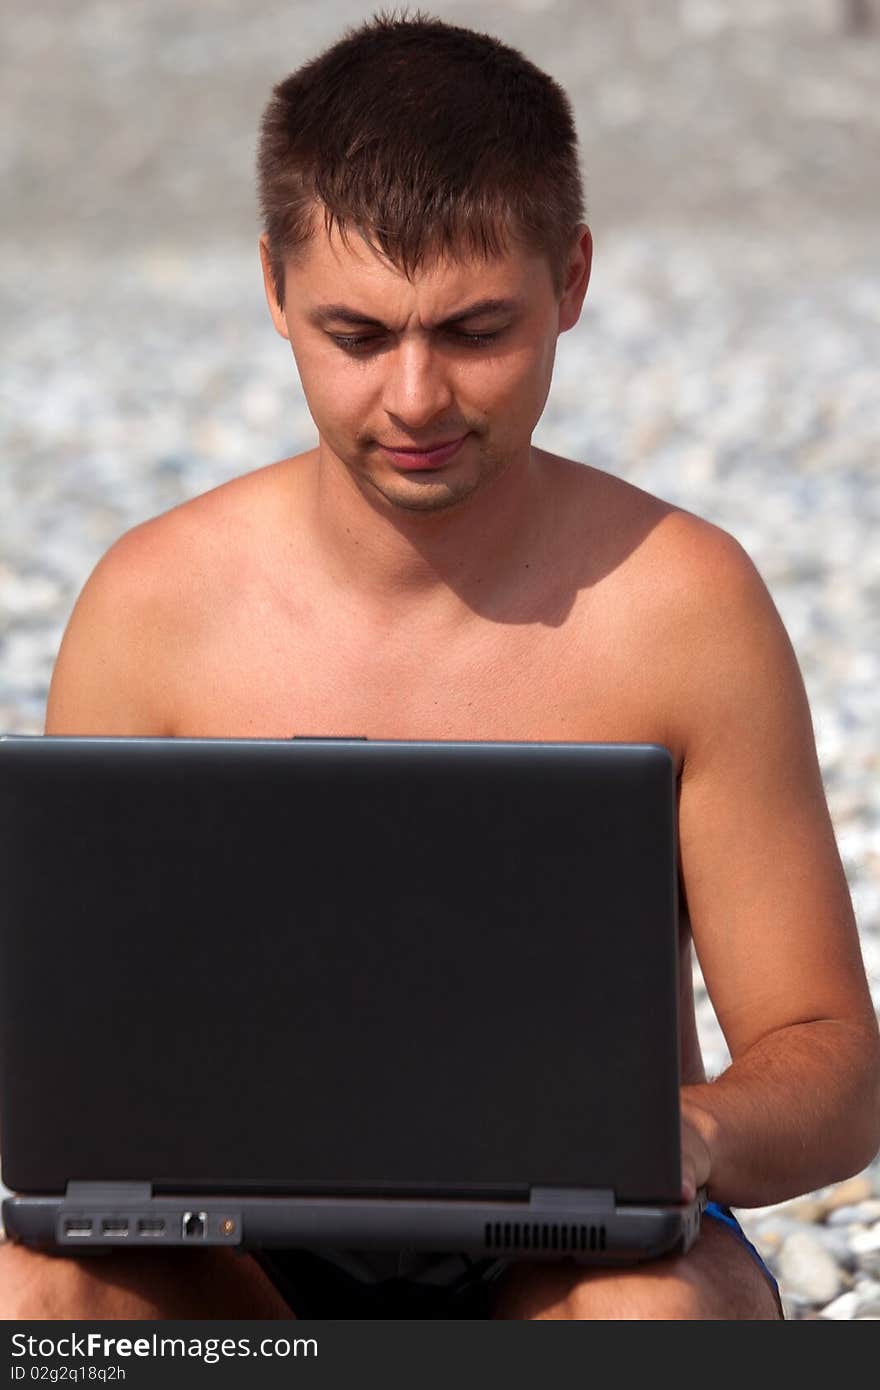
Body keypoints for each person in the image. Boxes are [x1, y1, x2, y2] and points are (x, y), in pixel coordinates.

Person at [2, 8, 878, 1321]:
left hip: (575, 1264)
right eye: (357, 335)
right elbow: (75, 1066)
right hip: (245, 1282)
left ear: (571, 280)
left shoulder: (681, 604)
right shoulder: (156, 604)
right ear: (272, 287)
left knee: (652, 1320)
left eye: (474, 330)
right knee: (40, 1299)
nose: (415, 398)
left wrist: (691, 1135)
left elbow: (834, 1069)